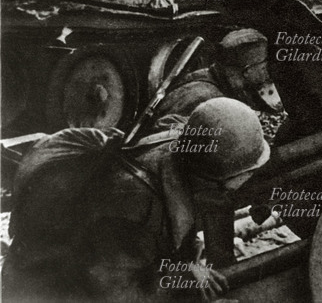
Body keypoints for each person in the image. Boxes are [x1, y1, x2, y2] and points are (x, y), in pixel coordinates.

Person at [2, 98, 270, 302]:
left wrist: (185, 264)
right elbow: (117, 293)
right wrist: (182, 278)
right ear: (214, 178)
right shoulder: (133, 206)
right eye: (243, 175)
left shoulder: (178, 147)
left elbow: (165, 235)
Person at [155, 28, 280, 121]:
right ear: (247, 71)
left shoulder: (212, 77)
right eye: (264, 67)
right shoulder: (209, 101)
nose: (267, 73)